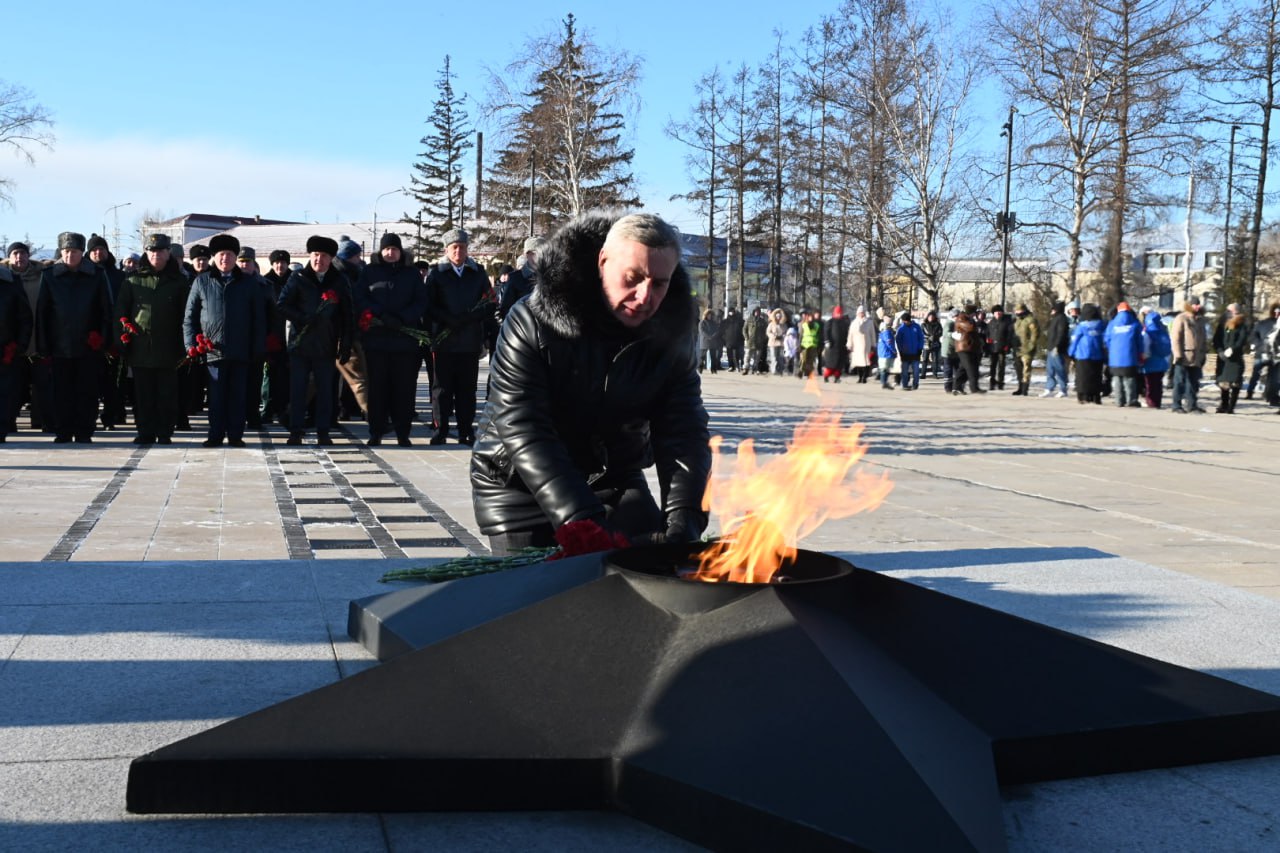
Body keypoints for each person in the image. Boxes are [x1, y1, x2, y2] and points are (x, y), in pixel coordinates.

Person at [470, 210, 710, 556]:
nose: (645, 296)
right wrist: (582, 521)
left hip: (612, 478)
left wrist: (684, 514)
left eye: (659, 283)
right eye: (633, 278)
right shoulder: (530, 321)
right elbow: (524, 428)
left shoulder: (672, 331)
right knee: (538, 586)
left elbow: (683, 427)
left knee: (650, 571)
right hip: (520, 484)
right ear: (602, 261)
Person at [184, 233, 267, 447]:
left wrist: (258, 348)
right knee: (216, 396)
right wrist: (191, 345)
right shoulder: (202, 281)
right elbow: (190, 317)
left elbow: (258, 319)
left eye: (229, 254)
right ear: (214, 256)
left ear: (235, 257)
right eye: (221, 254)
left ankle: (236, 435)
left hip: (241, 350)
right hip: (213, 351)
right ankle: (215, 434)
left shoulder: (248, 283)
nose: (225, 259)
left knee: (238, 396)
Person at [35, 232, 113, 443]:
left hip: (89, 345)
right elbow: (42, 312)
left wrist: (103, 339)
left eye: (75, 252)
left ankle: (84, 431)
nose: (70, 256)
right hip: (59, 345)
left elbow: (106, 309)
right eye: (66, 251)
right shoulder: (50, 276)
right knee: (61, 392)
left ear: (82, 253)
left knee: (87, 391)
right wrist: (43, 345)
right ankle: (63, 430)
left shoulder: (96, 274)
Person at [114, 234, 190, 444]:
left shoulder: (179, 282)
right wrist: (122, 337)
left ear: (168, 253)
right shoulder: (133, 280)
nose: (156, 254)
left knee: (167, 395)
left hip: (169, 348)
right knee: (143, 395)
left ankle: (165, 432)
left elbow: (187, 315)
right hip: (140, 347)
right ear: (146, 253)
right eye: (152, 250)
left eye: (160, 251)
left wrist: (185, 346)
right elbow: (121, 312)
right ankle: (145, 431)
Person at [277, 235, 353, 446]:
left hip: (326, 345)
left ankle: (323, 431)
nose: (319, 259)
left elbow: (348, 315)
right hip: (300, 345)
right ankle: (295, 430)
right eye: (316, 255)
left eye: (324, 256)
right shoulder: (298, 277)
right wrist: (302, 317)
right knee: (298, 391)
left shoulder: (339, 280)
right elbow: (282, 305)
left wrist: (346, 344)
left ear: (331, 259)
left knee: (325, 391)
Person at [354, 233, 428, 447]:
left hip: (405, 340)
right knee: (378, 389)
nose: (390, 253)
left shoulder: (411, 273)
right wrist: (380, 315)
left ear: (400, 252)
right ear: (381, 251)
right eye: (387, 249)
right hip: (377, 340)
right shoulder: (369, 272)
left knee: (404, 389)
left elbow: (421, 301)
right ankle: (376, 431)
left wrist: (403, 318)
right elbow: (360, 297)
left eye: (394, 249)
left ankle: (403, 432)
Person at [424, 227, 492, 445]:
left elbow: (489, 302)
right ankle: (441, 429)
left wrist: (471, 317)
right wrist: (447, 319)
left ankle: (466, 430)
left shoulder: (477, 273)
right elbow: (428, 305)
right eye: (454, 247)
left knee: (467, 390)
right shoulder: (437, 273)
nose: (458, 251)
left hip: (469, 341)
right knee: (442, 389)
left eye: (462, 247)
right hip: (444, 341)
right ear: (446, 249)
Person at [5, 241, 51, 432]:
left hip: (37, 339)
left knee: (42, 384)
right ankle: (8, 421)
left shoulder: (40, 276)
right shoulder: (4, 279)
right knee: (12, 386)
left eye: (23, 253)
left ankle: (42, 420)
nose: (19, 257)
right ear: (9, 257)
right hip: (11, 342)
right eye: (15, 253)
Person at [86, 234, 128, 430]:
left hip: (114, 335)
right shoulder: (85, 274)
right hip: (91, 335)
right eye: (94, 250)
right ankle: (90, 416)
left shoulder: (118, 276)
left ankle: (111, 416)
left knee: (114, 382)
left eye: (101, 249)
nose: (98, 253)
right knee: (91, 382)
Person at [332, 235, 368, 422]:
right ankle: (373, 416)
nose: (359, 259)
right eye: (356, 256)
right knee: (357, 378)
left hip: (351, 331)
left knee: (350, 377)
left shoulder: (353, 274)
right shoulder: (341, 276)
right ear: (347, 257)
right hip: (340, 333)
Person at [0, 260, 33, 442]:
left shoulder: (10, 282)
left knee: (4, 393)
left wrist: (19, 345)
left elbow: (24, 317)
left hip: (5, 349)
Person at [261, 249, 292, 426]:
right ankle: (268, 409)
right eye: (277, 263)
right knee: (269, 375)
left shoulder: (294, 280)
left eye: (283, 263)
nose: (280, 266)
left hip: (291, 336)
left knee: (286, 376)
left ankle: (284, 411)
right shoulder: (265, 282)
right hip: (271, 335)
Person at [1169, 299, 1207, 414]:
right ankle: (1176, 405)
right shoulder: (1181, 318)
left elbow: (1203, 338)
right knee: (1179, 381)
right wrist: (1178, 354)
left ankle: (1192, 405)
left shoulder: (1200, 320)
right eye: (1195, 304)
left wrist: (1203, 353)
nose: (1197, 306)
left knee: (1193, 381)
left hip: (1196, 356)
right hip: (1184, 355)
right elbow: (1176, 338)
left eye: (1198, 304)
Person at [1104, 302, 1142, 407]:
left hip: (1115, 357)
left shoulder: (1112, 324)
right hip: (1130, 356)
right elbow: (1140, 341)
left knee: (1117, 378)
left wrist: (1112, 350)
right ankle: (1131, 400)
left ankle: (1119, 401)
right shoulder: (1135, 324)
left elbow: (1106, 339)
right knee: (1129, 379)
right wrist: (1140, 353)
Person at [1068, 303, 1105, 405]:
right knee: (1096, 376)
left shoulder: (1082, 326)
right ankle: (1096, 396)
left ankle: (1083, 396)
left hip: (1083, 354)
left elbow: (1075, 340)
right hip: (1097, 354)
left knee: (1083, 376)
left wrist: (1071, 352)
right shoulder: (1101, 325)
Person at [1213, 309, 1248, 414]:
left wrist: (1233, 349)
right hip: (1223, 359)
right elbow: (1216, 339)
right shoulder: (1222, 326)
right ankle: (1224, 405)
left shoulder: (1241, 326)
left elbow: (1242, 340)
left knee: (1235, 383)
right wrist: (1220, 351)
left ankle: (1231, 406)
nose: (1232, 314)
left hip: (1235, 359)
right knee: (1223, 383)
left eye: (1234, 312)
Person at [497, 236, 539, 323]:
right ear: (527, 255)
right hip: (522, 326)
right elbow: (506, 309)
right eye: (534, 253)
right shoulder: (515, 279)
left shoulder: (552, 277)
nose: (538, 256)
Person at [1139, 307, 1171, 409]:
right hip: (1162, 362)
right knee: (1158, 384)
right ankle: (1158, 402)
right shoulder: (1163, 332)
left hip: (1150, 363)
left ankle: (1151, 403)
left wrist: (1142, 359)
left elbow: (1146, 348)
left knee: (1150, 384)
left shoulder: (1148, 333)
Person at [1245, 300, 1278, 400]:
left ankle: (1268, 394)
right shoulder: (1263, 323)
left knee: (1272, 376)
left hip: (1272, 353)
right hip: (1264, 352)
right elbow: (1253, 336)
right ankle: (1251, 392)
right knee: (1259, 374)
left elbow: (1253, 336)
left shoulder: (1263, 323)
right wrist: (1260, 345)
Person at [952, 305, 985, 395]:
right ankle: (974, 388)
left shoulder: (969, 319)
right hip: (964, 347)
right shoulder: (962, 318)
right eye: (975, 312)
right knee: (971, 368)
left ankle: (956, 387)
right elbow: (970, 327)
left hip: (970, 347)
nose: (976, 314)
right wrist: (974, 322)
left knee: (963, 369)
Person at [1041, 300, 1070, 398]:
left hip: (1057, 349)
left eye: (1053, 309)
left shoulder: (1062, 319)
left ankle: (1063, 389)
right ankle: (1049, 388)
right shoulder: (1054, 319)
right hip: (1050, 347)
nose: (1051, 311)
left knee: (1059, 369)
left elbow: (1061, 334)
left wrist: (1057, 346)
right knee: (1050, 369)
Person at [1012, 304, 1039, 396]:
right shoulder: (1017, 320)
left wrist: (1031, 346)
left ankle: (1025, 388)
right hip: (1018, 348)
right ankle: (1020, 387)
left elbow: (1035, 334)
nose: (1017, 313)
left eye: (1018, 311)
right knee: (1018, 369)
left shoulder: (1030, 320)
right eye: (1016, 311)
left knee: (1026, 368)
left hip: (1027, 348)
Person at [986, 304, 1015, 390]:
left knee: (1001, 366)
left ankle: (1000, 383)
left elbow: (1010, 335)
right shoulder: (991, 323)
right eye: (996, 312)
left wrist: (1008, 345)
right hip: (992, 347)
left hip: (1002, 347)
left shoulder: (1007, 323)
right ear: (993, 314)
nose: (998, 314)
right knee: (992, 366)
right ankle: (992, 382)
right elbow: (987, 333)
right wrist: (988, 340)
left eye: (999, 312)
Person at [895, 311, 925, 390]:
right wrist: (901, 350)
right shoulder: (901, 329)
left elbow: (921, 338)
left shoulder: (916, 327)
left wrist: (920, 348)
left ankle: (915, 384)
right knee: (904, 370)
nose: (905, 322)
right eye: (904, 321)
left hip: (915, 352)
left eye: (906, 321)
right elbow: (898, 341)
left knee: (916, 371)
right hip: (905, 353)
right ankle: (904, 384)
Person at [846, 305, 876, 383]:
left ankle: (864, 377)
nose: (861, 314)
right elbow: (850, 334)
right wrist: (849, 344)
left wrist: (873, 344)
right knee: (858, 362)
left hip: (866, 344)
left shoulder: (869, 322)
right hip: (856, 345)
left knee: (865, 362)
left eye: (862, 313)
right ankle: (860, 377)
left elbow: (872, 334)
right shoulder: (854, 323)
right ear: (857, 313)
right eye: (860, 313)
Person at [821, 306, 849, 382]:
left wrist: (847, 343)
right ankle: (826, 376)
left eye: (840, 313)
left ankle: (837, 377)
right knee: (831, 364)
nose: (839, 315)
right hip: (832, 346)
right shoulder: (830, 322)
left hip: (841, 346)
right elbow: (826, 331)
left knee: (839, 364)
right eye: (837, 313)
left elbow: (846, 333)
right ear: (834, 313)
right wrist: (827, 341)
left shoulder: (844, 323)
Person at [744, 306, 769, 374]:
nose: (757, 313)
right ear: (753, 312)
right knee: (747, 356)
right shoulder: (749, 320)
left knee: (757, 357)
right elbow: (744, 329)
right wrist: (746, 337)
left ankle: (754, 368)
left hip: (759, 342)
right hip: (750, 341)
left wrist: (763, 338)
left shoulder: (762, 321)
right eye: (756, 311)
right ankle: (746, 368)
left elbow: (766, 331)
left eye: (758, 311)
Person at [798, 310, 822, 378]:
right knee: (803, 360)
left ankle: (807, 373)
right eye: (808, 317)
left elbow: (819, 336)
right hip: (804, 345)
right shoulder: (804, 325)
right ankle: (801, 371)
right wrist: (799, 345)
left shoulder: (817, 325)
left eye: (811, 317)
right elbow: (800, 336)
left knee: (810, 361)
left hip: (813, 345)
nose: (810, 318)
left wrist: (819, 345)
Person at [697, 308, 721, 373]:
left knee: (713, 356)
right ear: (706, 315)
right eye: (708, 315)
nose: (709, 316)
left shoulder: (714, 323)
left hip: (713, 341)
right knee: (702, 356)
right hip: (704, 341)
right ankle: (700, 368)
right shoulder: (702, 322)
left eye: (710, 315)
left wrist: (713, 336)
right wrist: (708, 336)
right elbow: (702, 331)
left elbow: (717, 330)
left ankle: (713, 369)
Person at [765, 307, 788, 375]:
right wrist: (772, 336)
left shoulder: (784, 325)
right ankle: (774, 370)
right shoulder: (771, 324)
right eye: (777, 316)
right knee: (773, 357)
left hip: (781, 343)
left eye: (779, 316)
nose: (778, 317)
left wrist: (784, 336)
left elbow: (786, 332)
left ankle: (780, 370)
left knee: (780, 357)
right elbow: (768, 332)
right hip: (773, 342)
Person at [876, 319, 897, 389]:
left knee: (884, 368)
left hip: (882, 353)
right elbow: (889, 343)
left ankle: (884, 382)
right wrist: (894, 350)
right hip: (886, 353)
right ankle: (884, 383)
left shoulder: (881, 334)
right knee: (885, 369)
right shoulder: (887, 333)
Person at [921, 309, 943, 378]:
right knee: (925, 359)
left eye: (932, 317)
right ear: (927, 317)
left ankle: (935, 374)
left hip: (935, 343)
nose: (931, 318)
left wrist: (935, 337)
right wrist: (928, 337)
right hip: (926, 344)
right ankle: (923, 374)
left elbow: (940, 333)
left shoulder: (938, 324)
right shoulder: (924, 325)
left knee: (935, 360)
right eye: (930, 317)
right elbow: (921, 333)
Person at [722, 307, 744, 372]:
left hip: (737, 340)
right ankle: (731, 366)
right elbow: (722, 331)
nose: (731, 313)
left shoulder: (738, 321)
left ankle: (737, 366)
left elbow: (742, 330)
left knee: (736, 355)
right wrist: (724, 339)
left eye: (732, 311)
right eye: (730, 311)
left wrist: (741, 338)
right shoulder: (725, 321)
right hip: (728, 340)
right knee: (729, 355)